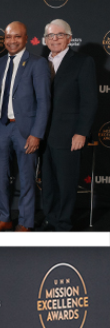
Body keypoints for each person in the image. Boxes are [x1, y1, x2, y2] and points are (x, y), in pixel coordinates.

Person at [0, 21, 51, 232]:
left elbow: (44, 102)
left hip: (26, 130)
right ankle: (4, 217)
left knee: (26, 178)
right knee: (0, 176)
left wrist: (36, 134)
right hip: (1, 127)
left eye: (17, 36)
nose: (12, 41)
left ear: (26, 38)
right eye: (8, 37)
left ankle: (25, 222)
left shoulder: (37, 63)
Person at [41, 19, 98, 231]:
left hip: (69, 135)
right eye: (50, 36)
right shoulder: (40, 62)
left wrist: (81, 132)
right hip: (42, 134)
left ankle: (62, 224)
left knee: (66, 183)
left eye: (59, 35)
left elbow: (90, 100)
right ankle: (50, 218)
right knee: (47, 182)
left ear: (69, 38)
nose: (54, 39)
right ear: (45, 40)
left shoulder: (83, 62)